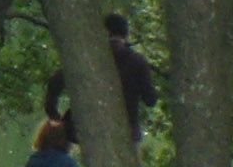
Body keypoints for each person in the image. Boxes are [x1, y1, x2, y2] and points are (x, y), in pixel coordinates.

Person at [43, 11, 160, 145]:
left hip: (84, 130)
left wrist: (55, 117)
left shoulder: (86, 58)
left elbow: (54, 84)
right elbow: (150, 100)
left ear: (104, 32)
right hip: (125, 132)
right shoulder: (137, 61)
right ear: (126, 35)